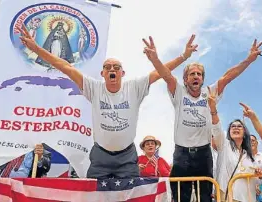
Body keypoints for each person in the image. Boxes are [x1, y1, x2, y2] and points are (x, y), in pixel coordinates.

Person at [18, 24, 198, 179]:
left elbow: (160, 72)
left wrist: (184, 57)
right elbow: (64, 66)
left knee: (130, 195)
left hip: (127, 156)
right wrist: (37, 49)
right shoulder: (94, 87)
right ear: (102, 74)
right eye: (107, 67)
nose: (112, 69)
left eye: (116, 67)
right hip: (100, 157)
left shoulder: (134, 87)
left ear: (123, 73)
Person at [143, 35, 262, 201]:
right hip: (182, 153)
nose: (196, 76)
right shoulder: (178, 91)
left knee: (205, 196)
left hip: (203, 154)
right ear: (185, 79)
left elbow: (228, 76)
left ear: (202, 79)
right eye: (192, 74)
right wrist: (155, 59)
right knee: (180, 196)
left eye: (199, 74)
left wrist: (249, 60)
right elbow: (165, 74)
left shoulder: (209, 93)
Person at [208, 91, 262, 202]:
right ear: (229, 132)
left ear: (245, 133)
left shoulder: (249, 156)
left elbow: (257, 183)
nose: (236, 128)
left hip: (247, 198)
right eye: (232, 126)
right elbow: (217, 128)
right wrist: (213, 110)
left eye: (239, 126)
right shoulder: (224, 145)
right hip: (227, 196)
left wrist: (259, 175)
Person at [250, 135, 262, 201]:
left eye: (253, 140)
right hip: (247, 194)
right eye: (248, 141)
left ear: (257, 143)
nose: (251, 142)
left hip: (261, 195)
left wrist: (261, 188)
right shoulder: (243, 157)